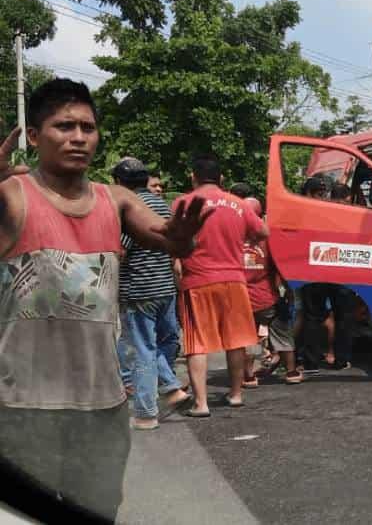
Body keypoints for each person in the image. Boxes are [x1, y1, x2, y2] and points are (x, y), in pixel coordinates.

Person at [0, 79, 206, 522]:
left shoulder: (115, 200)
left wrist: (183, 237)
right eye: (63, 126)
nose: (78, 137)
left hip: (102, 406)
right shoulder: (13, 196)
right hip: (23, 406)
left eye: (87, 127)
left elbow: (169, 238)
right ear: (34, 137)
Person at [174, 155, 269, 416]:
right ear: (222, 179)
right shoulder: (238, 204)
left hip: (197, 281)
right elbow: (263, 233)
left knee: (196, 344)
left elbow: (173, 239)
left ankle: (201, 403)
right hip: (234, 280)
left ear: (193, 176)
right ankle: (236, 394)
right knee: (235, 340)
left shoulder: (182, 203)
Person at [114, 157, 191, 430]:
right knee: (158, 342)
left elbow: (121, 251)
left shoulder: (130, 208)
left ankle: (147, 412)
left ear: (119, 183)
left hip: (139, 290)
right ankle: (171, 386)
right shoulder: (162, 205)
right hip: (164, 287)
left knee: (142, 349)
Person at [241, 198, 302, 385]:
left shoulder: (233, 238)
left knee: (247, 338)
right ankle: (291, 373)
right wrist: (289, 292)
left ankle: (249, 377)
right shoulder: (269, 238)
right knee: (282, 333)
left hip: (242, 299)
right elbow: (280, 267)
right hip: (268, 298)